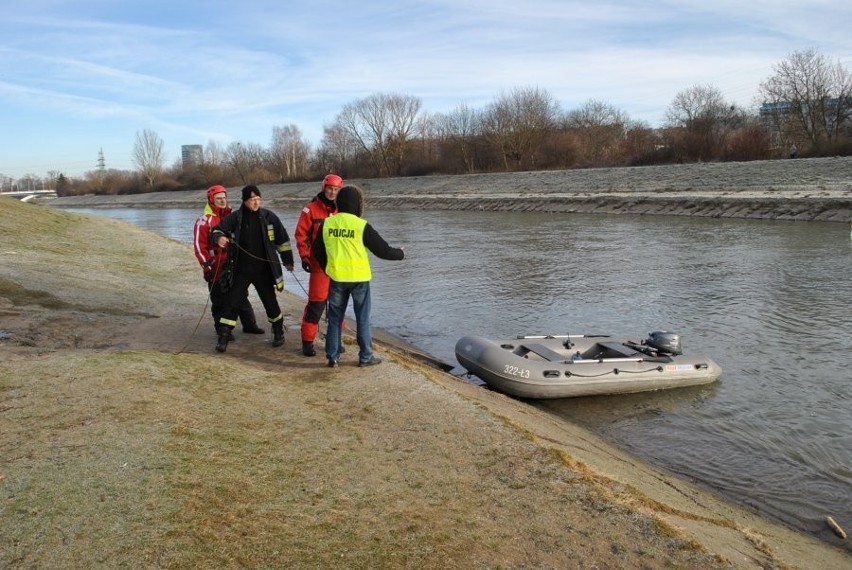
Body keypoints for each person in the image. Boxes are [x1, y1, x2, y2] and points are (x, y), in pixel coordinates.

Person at [312, 185, 404, 368]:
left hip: (337, 278)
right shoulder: (361, 225)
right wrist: (400, 254)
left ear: (339, 203)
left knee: (335, 318)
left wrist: (328, 268)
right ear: (357, 204)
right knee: (362, 317)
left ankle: (332, 356)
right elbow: (382, 250)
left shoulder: (327, 224)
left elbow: (316, 251)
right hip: (359, 279)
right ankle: (365, 356)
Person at [210, 185, 295, 353]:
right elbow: (217, 229)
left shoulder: (269, 217)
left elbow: (283, 241)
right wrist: (218, 237)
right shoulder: (235, 218)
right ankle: (224, 336)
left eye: (258, 199)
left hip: (264, 271)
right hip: (241, 270)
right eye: (252, 200)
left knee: (270, 303)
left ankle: (278, 331)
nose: (256, 203)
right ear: (244, 201)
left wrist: (288, 261)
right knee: (232, 303)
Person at [192, 185, 265, 340]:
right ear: (211, 200)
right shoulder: (204, 221)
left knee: (241, 296)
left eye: (224, 198)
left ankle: (249, 325)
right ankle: (222, 329)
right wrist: (207, 265)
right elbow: (199, 246)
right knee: (219, 299)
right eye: (219, 198)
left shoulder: (233, 217)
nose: (222, 201)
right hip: (216, 267)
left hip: (235, 265)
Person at [294, 174, 343, 357]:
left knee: (338, 305)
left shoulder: (342, 210)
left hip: (339, 266)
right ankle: (307, 342)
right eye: (330, 188)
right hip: (318, 267)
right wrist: (305, 257)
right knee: (316, 305)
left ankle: (336, 340)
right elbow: (301, 236)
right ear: (324, 188)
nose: (332, 192)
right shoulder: (310, 210)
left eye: (336, 190)